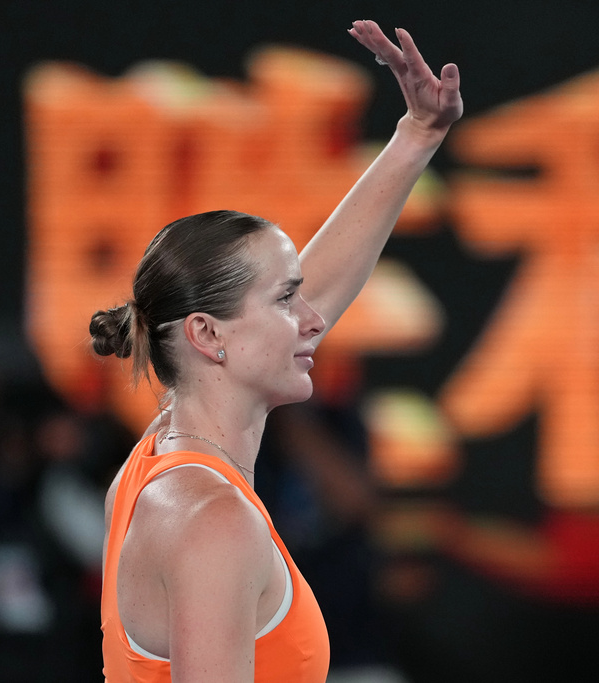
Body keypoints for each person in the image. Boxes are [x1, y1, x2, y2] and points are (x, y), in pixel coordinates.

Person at [90, 20, 462, 683]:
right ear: (207, 335)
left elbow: (320, 285)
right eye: (286, 300)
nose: (314, 319)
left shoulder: (159, 461)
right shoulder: (214, 520)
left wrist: (416, 136)